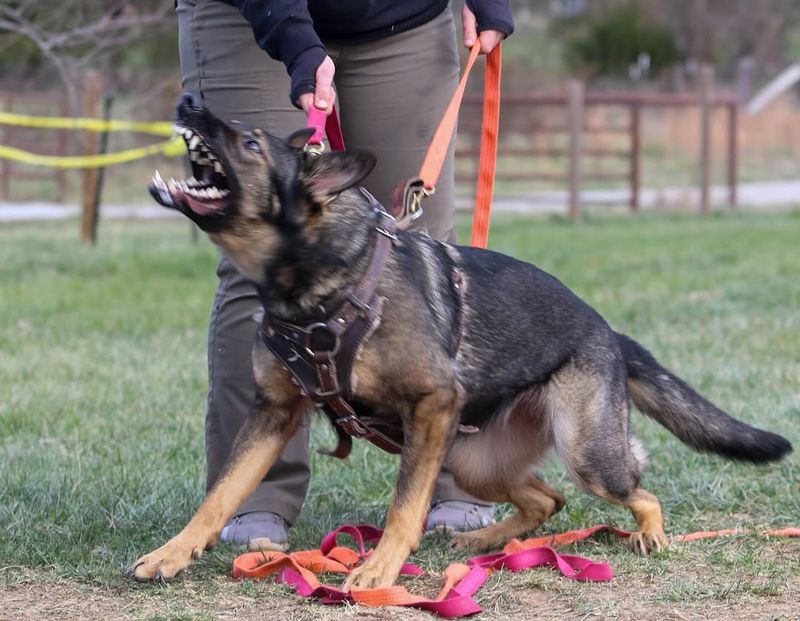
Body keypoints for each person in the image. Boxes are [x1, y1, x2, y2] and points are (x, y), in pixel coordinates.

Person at [175, 0, 514, 551]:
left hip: (401, 21)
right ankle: (254, 498)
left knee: (426, 255)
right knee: (261, 258)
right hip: (248, 20)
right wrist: (296, 40)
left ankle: (459, 477)